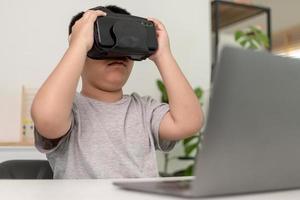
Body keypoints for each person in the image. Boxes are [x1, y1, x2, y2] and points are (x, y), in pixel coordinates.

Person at [31, 5, 204, 179]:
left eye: (126, 45)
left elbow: (189, 123)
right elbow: (47, 118)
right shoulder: (70, 111)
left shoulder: (144, 110)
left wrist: (163, 55)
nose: (118, 54)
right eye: (103, 41)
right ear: (79, 56)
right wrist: (79, 44)